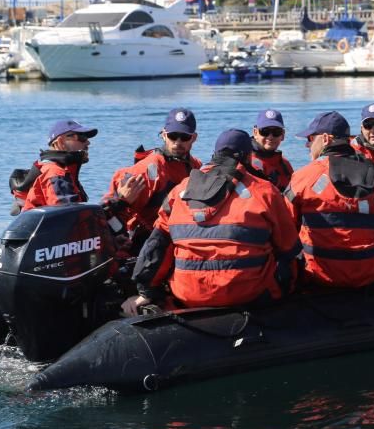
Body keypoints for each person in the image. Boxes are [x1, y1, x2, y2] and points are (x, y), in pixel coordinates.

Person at [121, 129, 300, 314]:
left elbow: (156, 245)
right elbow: (289, 247)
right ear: (248, 156)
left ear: (215, 154)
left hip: (188, 294)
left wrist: (147, 291)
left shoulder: (179, 190)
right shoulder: (264, 191)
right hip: (246, 293)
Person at [287, 111, 374, 288]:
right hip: (372, 272)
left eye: (310, 139)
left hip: (320, 276)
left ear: (325, 139)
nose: (307, 146)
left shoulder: (303, 177)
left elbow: (285, 228)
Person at [102, 108, 203, 253]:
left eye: (184, 137)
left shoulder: (196, 166)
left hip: (179, 237)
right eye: (173, 136)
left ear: (194, 138)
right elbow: (109, 212)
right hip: (145, 241)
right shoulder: (144, 170)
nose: (178, 142)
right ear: (163, 135)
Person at [22, 120, 96, 211]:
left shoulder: (62, 171)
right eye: (82, 137)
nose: (88, 143)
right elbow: (68, 213)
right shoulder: (55, 173)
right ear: (61, 142)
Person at [248, 108, 294, 190]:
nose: (270, 137)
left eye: (276, 132)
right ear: (255, 133)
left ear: (282, 135)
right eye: (265, 131)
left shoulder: (285, 164)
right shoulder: (247, 163)